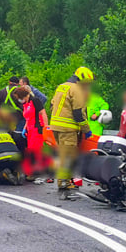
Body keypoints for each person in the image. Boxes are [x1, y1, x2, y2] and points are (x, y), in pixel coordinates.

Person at [48, 66, 94, 194]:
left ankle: (64, 180)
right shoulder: (77, 90)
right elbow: (78, 113)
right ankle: (64, 182)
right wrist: (86, 130)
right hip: (67, 128)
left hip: (56, 127)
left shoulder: (61, 86)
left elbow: (52, 105)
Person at [13, 86, 51, 179]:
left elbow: (43, 113)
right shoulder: (26, 103)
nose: (18, 100)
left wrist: (46, 128)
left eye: (19, 98)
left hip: (37, 128)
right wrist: (25, 128)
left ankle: (35, 172)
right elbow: (28, 118)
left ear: (23, 96)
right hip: (30, 129)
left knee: (35, 151)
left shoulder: (35, 101)